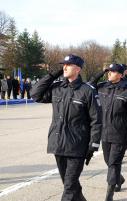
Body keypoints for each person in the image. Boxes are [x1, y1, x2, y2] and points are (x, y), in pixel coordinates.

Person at [31, 54, 102, 201]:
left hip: (77, 147)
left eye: (67, 65)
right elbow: (35, 94)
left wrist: (93, 145)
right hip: (59, 144)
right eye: (63, 65)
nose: (64, 67)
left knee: (69, 188)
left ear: (77, 69)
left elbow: (96, 120)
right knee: (71, 185)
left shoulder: (87, 90)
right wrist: (52, 74)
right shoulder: (58, 88)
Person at [96, 64, 127, 201]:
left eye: (113, 71)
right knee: (109, 161)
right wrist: (101, 72)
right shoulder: (102, 87)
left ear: (121, 75)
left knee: (113, 163)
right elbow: (89, 85)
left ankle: (109, 194)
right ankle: (119, 179)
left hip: (120, 133)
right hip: (105, 132)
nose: (109, 73)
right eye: (108, 71)